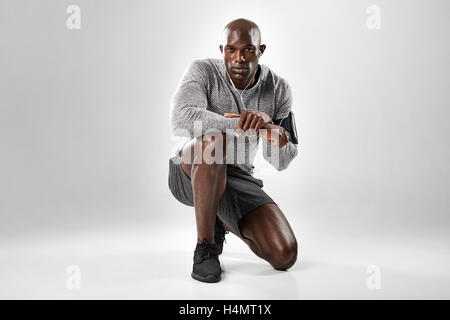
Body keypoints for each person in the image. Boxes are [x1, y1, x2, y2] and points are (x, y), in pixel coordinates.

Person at [168, 18, 299, 283]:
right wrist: (242, 124)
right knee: (215, 141)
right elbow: (180, 119)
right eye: (231, 50)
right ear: (222, 50)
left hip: (238, 178)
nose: (239, 58)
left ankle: (220, 216)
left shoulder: (279, 89)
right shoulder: (203, 71)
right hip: (190, 171)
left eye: (248, 50)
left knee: (285, 254)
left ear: (261, 50)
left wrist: (276, 132)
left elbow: (279, 162)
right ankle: (206, 247)